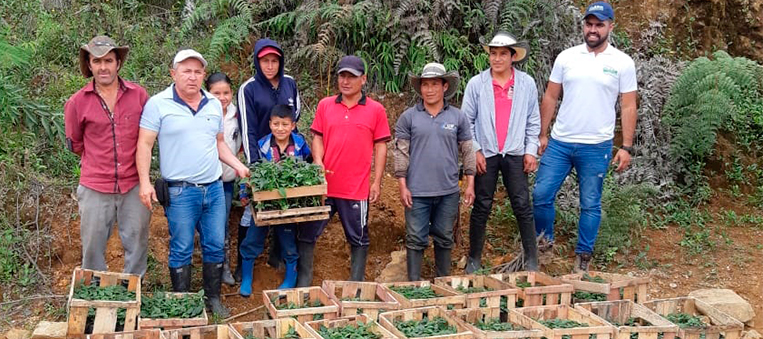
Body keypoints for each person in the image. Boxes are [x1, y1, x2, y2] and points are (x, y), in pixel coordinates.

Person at [136, 49, 249, 317]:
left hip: (213, 189)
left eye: (198, 71)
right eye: (186, 71)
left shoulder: (212, 102)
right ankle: (183, 303)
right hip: (180, 191)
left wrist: (238, 165)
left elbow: (219, 143)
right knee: (182, 246)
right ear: (173, 73)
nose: (192, 76)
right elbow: (144, 144)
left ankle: (213, 299)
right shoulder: (158, 104)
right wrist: (144, 182)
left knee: (214, 243)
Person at [533, 1, 638, 273]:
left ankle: (583, 258)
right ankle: (544, 246)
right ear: (583, 26)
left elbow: (628, 105)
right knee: (542, 195)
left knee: (590, 203)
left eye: (599, 25)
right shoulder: (566, 57)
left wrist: (626, 146)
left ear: (610, 27)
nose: (593, 30)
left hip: (597, 146)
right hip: (560, 141)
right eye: (589, 24)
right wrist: (542, 134)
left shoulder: (623, 63)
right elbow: (551, 96)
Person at [297, 55, 391, 285]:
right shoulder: (325, 105)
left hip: (355, 188)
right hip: (325, 187)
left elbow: (381, 147)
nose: (346, 81)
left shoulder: (376, 110)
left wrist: (376, 181)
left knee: (358, 237)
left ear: (363, 79)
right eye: (342, 76)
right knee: (308, 232)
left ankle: (356, 283)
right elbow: (317, 136)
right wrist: (318, 159)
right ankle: (304, 280)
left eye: (351, 76)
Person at [64, 36, 151, 276]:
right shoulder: (77, 102)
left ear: (118, 63)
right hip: (95, 186)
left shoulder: (138, 95)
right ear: (89, 65)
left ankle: (132, 295)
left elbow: (148, 137)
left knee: (137, 244)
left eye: (109, 60)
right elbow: (76, 143)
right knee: (92, 248)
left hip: (133, 185)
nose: (103, 67)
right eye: (97, 61)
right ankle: (94, 299)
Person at [462, 31, 541, 273]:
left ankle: (531, 259)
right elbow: (467, 121)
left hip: (515, 151)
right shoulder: (477, 84)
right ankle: (474, 259)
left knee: (521, 203)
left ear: (513, 56)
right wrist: (474, 150)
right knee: (482, 204)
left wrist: (530, 151)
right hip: (486, 152)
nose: (497, 59)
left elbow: (533, 120)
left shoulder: (526, 83)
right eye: (493, 54)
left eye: (503, 54)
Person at [394, 62, 476, 280]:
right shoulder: (408, 117)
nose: (429, 89)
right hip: (417, 191)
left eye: (434, 84)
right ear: (420, 88)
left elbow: (467, 150)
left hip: (448, 191)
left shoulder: (457, 117)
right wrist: (402, 185)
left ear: (445, 87)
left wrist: (470, 184)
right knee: (415, 238)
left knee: (444, 236)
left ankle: (443, 282)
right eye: (425, 84)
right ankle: (413, 285)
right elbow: (401, 153)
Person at [237, 38, 301, 275]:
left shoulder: (290, 83)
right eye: (265, 61)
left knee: (286, 206)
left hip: (287, 155)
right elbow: (248, 128)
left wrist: (287, 140)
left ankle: (279, 257)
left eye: (275, 61)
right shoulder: (249, 88)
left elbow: (297, 114)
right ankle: (242, 265)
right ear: (257, 61)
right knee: (254, 210)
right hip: (262, 158)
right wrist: (254, 165)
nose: (270, 66)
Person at [239, 104, 311, 296]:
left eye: (285, 124)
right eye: (276, 124)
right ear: (270, 124)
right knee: (253, 238)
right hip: (263, 203)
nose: (280, 128)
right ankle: (247, 278)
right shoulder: (262, 145)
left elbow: (308, 167)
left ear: (293, 125)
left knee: (288, 240)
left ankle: (289, 279)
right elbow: (250, 171)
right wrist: (243, 192)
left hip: (289, 204)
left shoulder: (300, 144)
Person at [205, 72, 241, 286]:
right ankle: (207, 267)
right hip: (205, 179)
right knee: (205, 228)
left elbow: (242, 140)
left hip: (226, 180)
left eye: (226, 92)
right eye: (216, 93)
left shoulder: (237, 114)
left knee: (223, 225)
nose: (222, 97)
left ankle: (224, 267)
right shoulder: (203, 112)